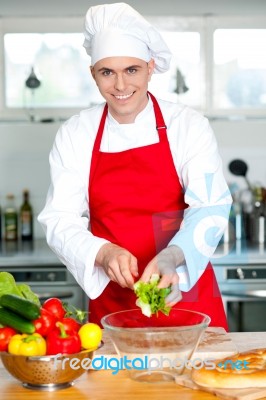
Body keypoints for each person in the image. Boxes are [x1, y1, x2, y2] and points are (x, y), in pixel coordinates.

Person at [38, 2, 232, 329]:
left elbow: (210, 205)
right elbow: (59, 218)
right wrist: (102, 253)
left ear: (150, 67)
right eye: (107, 72)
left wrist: (173, 257)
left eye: (132, 70)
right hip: (113, 303)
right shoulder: (76, 133)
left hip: (185, 291)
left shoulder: (187, 125)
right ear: (93, 74)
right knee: (114, 381)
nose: (121, 86)